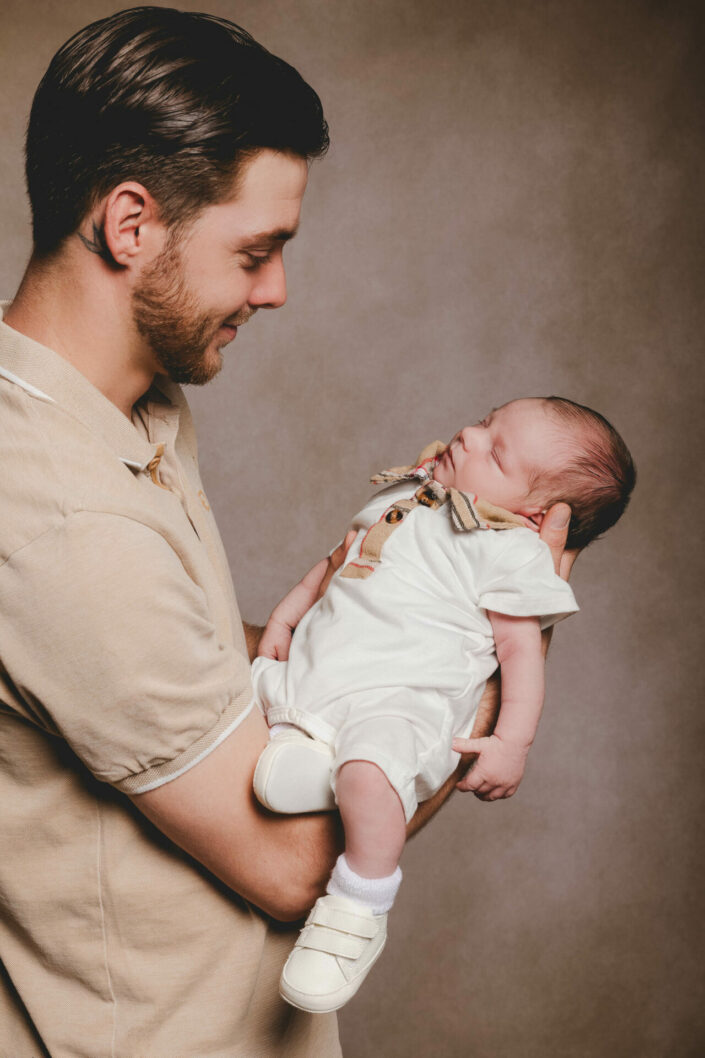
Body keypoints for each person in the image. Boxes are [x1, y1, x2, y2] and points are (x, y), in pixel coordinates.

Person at [0, 7, 574, 1056]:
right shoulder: (55, 513)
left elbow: (187, 665)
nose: (277, 290)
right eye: (255, 251)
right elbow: (299, 862)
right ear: (131, 224)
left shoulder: (132, 408)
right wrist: (494, 622)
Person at [250, 396, 635, 1014]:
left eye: (495, 451)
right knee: (245, 695)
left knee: (373, 768)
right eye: (485, 422)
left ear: (534, 514)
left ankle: (357, 908)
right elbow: (333, 564)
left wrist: (512, 743)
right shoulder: (408, 494)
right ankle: (312, 771)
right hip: (312, 680)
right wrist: (285, 617)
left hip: (399, 709)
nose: (470, 435)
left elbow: (521, 654)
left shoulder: (508, 551)